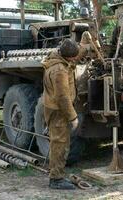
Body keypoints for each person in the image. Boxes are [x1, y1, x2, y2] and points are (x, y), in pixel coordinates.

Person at [42, 39, 80, 190]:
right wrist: (73, 117)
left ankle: (58, 174)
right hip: (58, 111)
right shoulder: (59, 70)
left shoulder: (57, 59)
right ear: (68, 56)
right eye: (74, 57)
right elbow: (62, 97)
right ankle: (56, 179)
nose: (75, 60)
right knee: (59, 143)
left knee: (59, 142)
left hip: (54, 108)